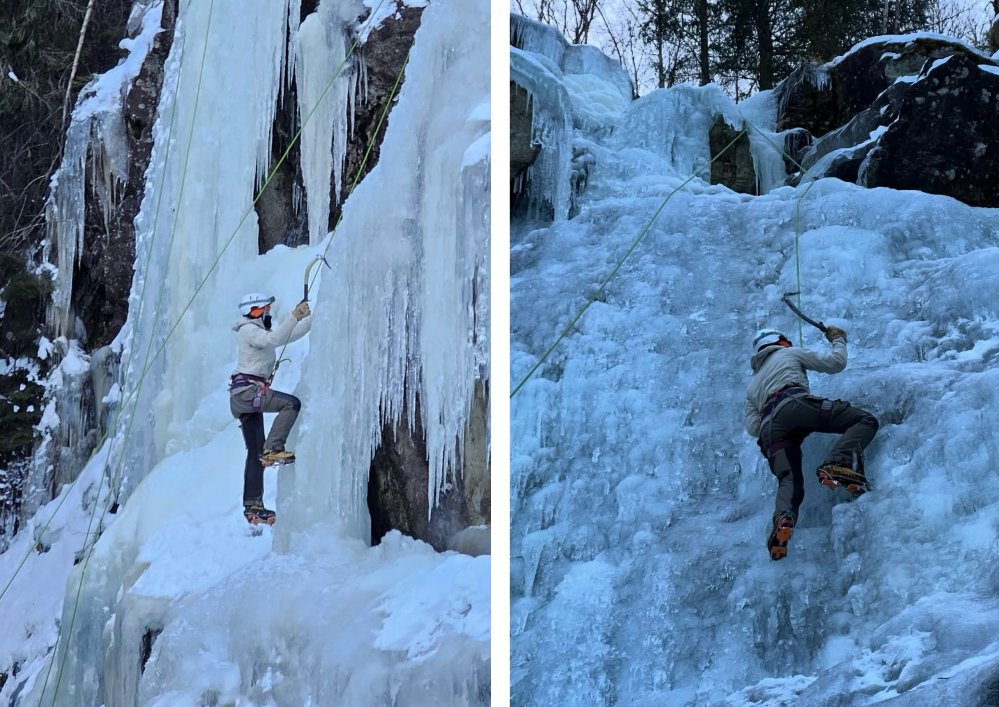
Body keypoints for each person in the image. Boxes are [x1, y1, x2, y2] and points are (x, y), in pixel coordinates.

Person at [745, 326, 879, 561]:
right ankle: (837, 462)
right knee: (864, 420)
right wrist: (838, 339)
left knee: (789, 480)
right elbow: (836, 363)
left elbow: (752, 428)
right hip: (794, 403)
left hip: (769, 429)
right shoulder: (788, 353)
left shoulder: (752, 386)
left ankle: (783, 519)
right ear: (781, 342)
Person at [229, 292, 312, 524]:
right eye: (266, 309)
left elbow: (287, 336)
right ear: (255, 310)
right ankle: (274, 447)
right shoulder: (248, 330)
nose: (269, 313)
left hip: (243, 397)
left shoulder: (257, 332)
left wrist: (309, 319)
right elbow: (275, 339)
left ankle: (252, 505)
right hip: (248, 394)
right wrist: (294, 315)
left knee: (256, 453)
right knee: (291, 404)